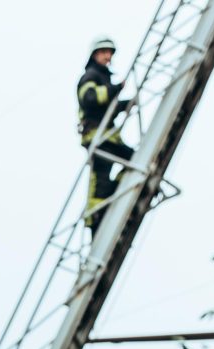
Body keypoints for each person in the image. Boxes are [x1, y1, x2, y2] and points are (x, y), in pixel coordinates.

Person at [77, 36, 133, 235]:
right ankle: (96, 218)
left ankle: (115, 191)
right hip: (97, 137)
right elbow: (90, 99)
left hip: (108, 136)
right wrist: (115, 88)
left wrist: (125, 104)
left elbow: (107, 107)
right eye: (104, 52)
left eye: (110, 53)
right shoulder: (91, 75)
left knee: (134, 159)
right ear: (95, 55)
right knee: (100, 180)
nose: (108, 56)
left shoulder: (103, 77)